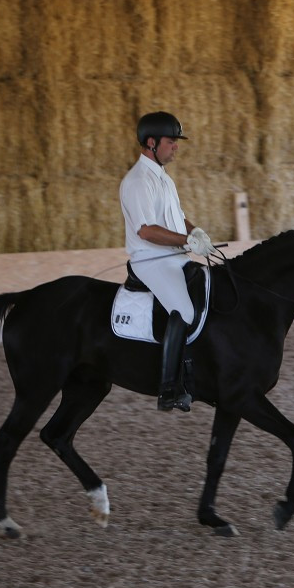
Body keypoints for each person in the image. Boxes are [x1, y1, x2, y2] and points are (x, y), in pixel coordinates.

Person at [119, 111, 217, 412]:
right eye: (171, 142)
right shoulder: (137, 181)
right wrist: (187, 242)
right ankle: (169, 388)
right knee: (184, 310)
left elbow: (176, 218)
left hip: (173, 256)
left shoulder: (163, 179)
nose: (176, 147)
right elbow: (147, 230)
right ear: (151, 143)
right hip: (151, 261)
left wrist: (196, 231)